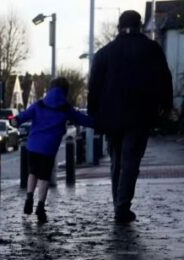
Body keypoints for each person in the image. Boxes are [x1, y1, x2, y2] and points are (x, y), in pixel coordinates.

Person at [88, 10, 174, 223]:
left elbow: (94, 87)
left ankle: (118, 202)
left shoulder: (104, 53)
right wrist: (165, 105)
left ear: (119, 26)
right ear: (139, 24)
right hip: (140, 115)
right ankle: (122, 206)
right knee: (131, 161)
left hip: (111, 117)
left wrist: (94, 116)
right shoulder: (151, 49)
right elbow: (164, 78)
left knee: (116, 160)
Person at [13, 77, 93, 223]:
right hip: (49, 149)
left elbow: (22, 117)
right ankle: (40, 208)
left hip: (33, 145)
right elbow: (82, 119)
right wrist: (99, 122)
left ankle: (29, 197)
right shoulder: (66, 108)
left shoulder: (39, 104)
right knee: (44, 178)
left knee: (33, 172)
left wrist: (16, 120)